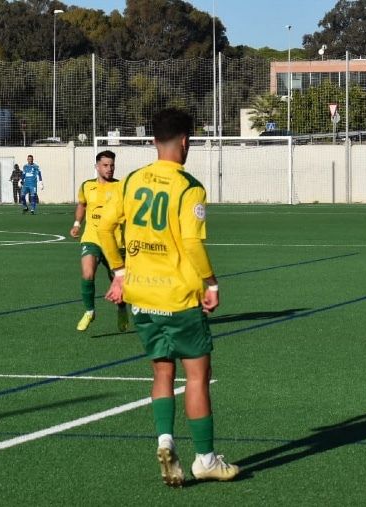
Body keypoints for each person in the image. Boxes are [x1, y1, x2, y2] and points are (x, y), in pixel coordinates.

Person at [98, 108, 238, 487]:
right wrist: (211, 282)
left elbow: (105, 227)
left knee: (162, 371)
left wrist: (121, 272)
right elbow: (192, 242)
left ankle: (164, 440)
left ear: (153, 141)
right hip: (179, 296)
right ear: (186, 141)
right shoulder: (189, 187)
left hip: (142, 295)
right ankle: (205, 459)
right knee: (197, 375)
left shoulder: (131, 181)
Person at [70, 150, 131, 333]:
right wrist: (76, 224)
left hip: (115, 242)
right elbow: (82, 205)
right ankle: (89, 311)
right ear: (97, 166)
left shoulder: (121, 187)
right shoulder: (87, 186)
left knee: (118, 282)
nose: (109, 168)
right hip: (92, 237)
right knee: (87, 273)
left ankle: (121, 308)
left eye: (112, 165)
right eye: (105, 165)